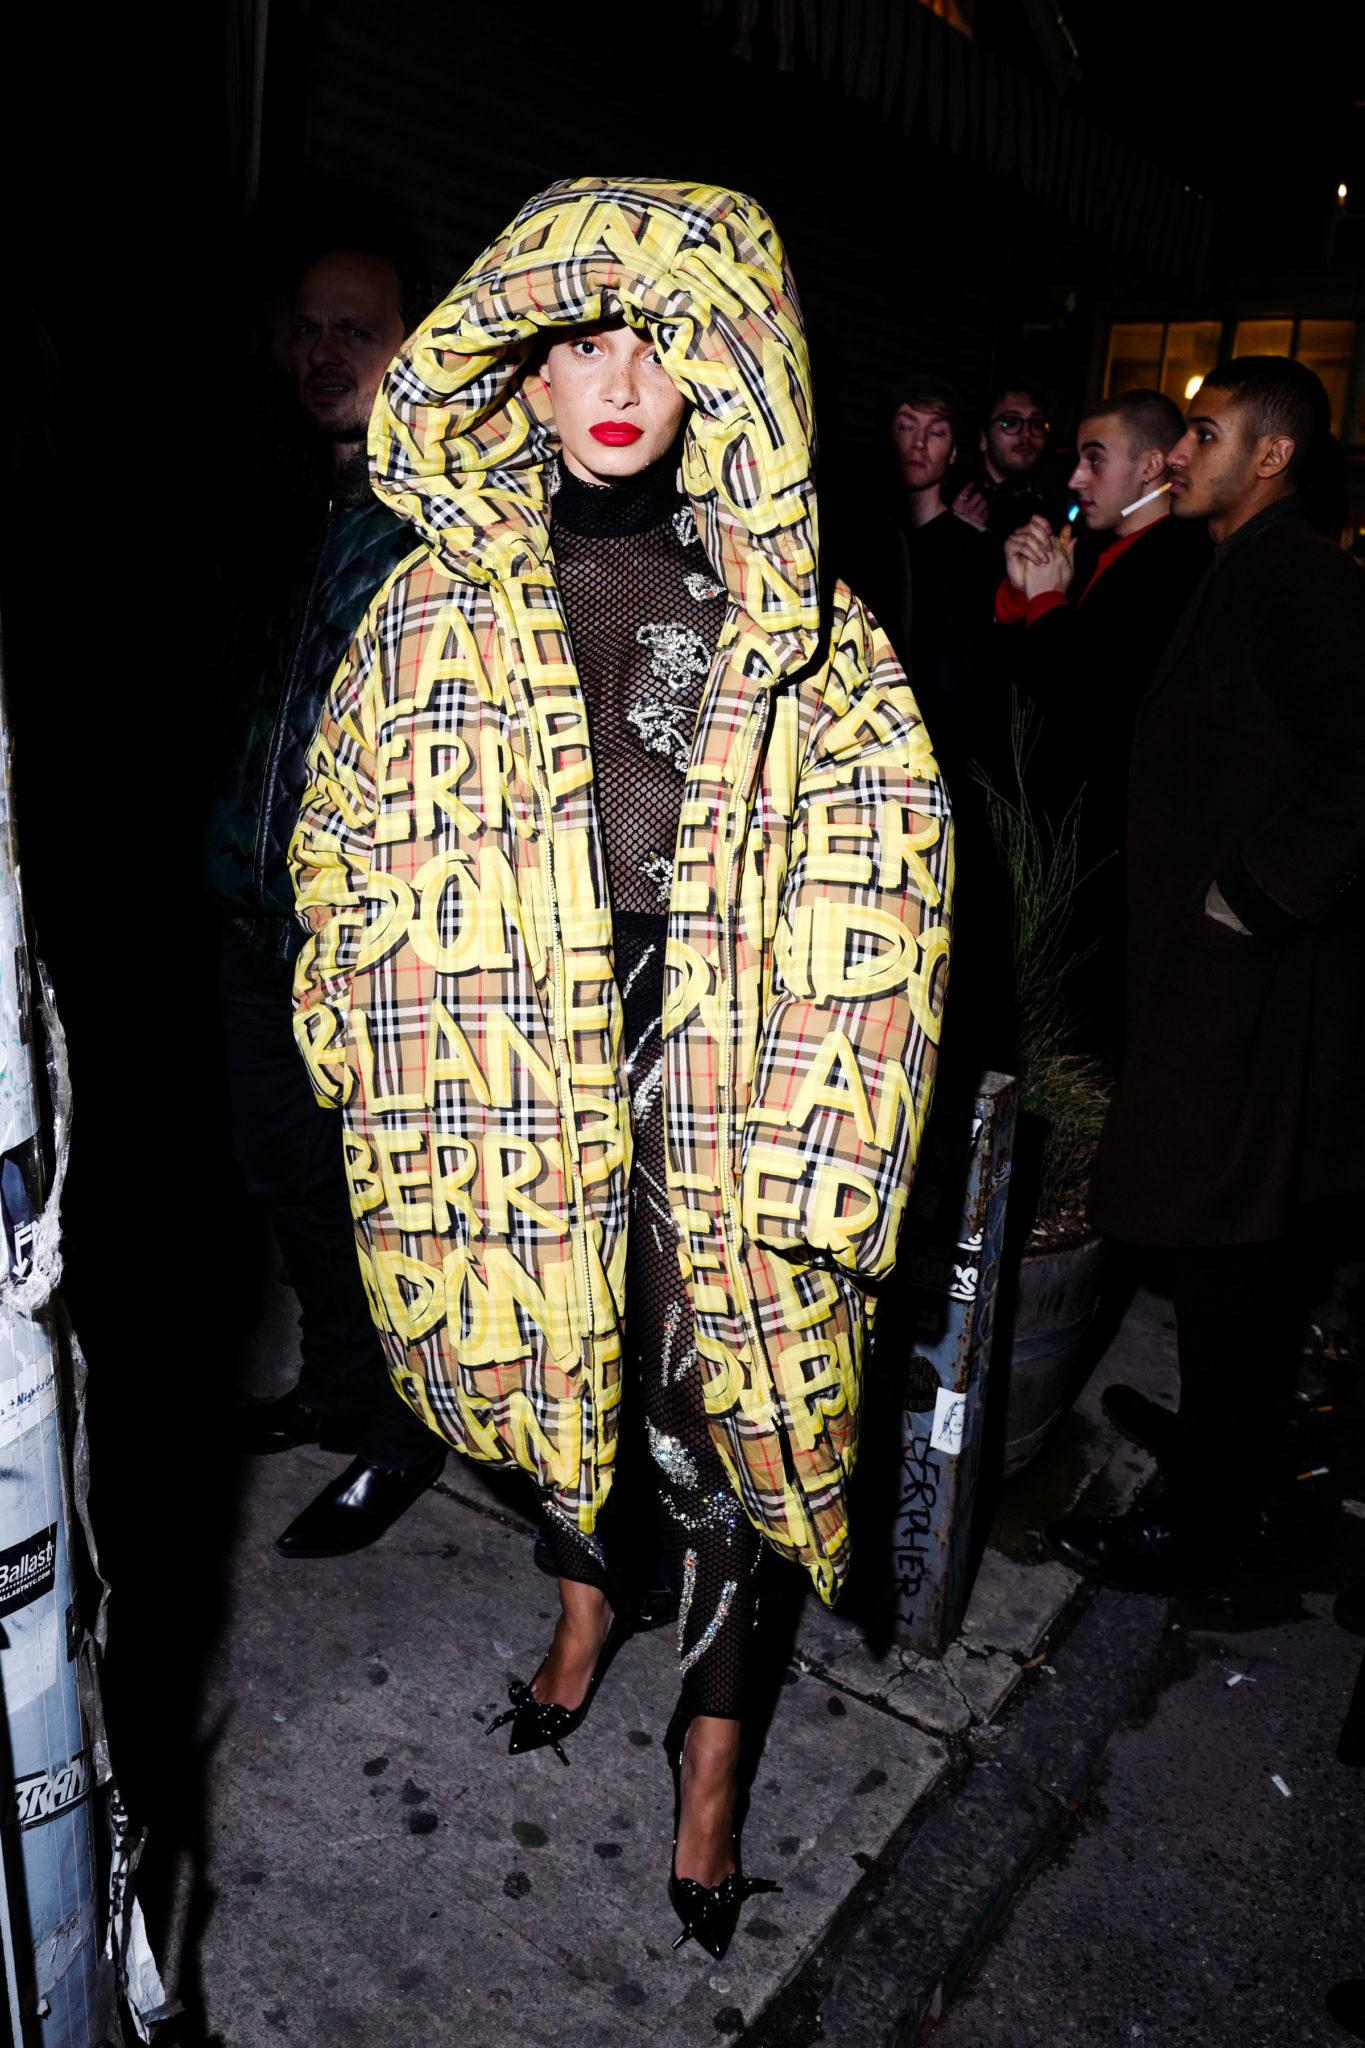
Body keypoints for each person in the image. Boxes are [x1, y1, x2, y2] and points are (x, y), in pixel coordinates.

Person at [289, 176, 953, 1956]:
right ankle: (584, 1605)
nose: (618, 382)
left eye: (662, 346)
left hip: (723, 1069)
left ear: (721, 374)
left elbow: (893, 871)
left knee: (728, 1409)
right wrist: (360, 1033)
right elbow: (341, 841)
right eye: (583, 340)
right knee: (549, 1367)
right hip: (510, 1061)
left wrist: (834, 1125)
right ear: (521, 363)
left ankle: (712, 1757)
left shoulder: (796, 618)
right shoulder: (429, 609)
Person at [1045, 356, 1365, 1594]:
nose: (1179, 453)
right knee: (1220, 1250)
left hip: (1251, 988)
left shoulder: (1302, 576)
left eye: (1206, 433)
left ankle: (1199, 1522)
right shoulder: (1242, 565)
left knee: (1229, 1252)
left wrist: (1256, 894)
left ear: (1272, 455)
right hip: (1211, 975)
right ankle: (1215, 1435)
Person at [204, 236, 446, 1556]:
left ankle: (405, 1432)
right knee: (285, 1173)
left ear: (415, 345)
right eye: (309, 326)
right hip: (256, 917)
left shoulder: (435, 521)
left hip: (366, 940)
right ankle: (342, 1387)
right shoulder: (296, 503)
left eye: (357, 329)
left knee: (384, 1193)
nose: (324, 352)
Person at [993, 389, 1212, 1057]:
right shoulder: (1091, 549)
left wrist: (1047, 603)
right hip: (1051, 841)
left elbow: (1091, 706)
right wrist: (1019, 593)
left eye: (1094, 459)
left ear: (1150, 467)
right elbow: (1020, 690)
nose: (1074, 478)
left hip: (1108, 857)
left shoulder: (1178, 563)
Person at [889, 377, 1003, 779]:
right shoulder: (865, 539)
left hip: (943, 755)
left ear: (954, 451)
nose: (919, 443)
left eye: (936, 432)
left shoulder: (980, 550)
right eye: (906, 426)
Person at [954, 380, 1054, 536]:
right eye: (1011, 422)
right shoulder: (949, 498)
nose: (1026, 434)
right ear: (983, 438)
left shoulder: (1054, 512)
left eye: (1037, 424)